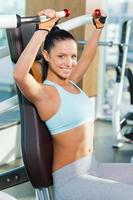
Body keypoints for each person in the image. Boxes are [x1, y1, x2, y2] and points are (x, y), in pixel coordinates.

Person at [13, 8, 133, 200]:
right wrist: (42, 30)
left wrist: (98, 28)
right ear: (46, 56)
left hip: (94, 167)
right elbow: (19, 75)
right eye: (61, 56)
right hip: (73, 181)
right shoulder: (46, 93)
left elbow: (87, 58)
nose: (69, 63)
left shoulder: (71, 83)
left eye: (72, 56)